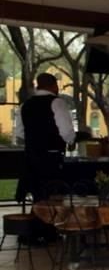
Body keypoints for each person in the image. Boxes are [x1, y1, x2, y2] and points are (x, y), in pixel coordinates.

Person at [20, 73, 75, 201]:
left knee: (38, 196)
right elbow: (66, 131)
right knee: (53, 197)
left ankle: (38, 219)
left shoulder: (25, 105)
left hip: (32, 159)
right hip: (51, 158)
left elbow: (20, 132)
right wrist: (71, 141)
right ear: (54, 86)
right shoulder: (57, 103)